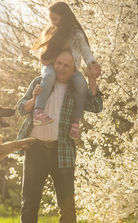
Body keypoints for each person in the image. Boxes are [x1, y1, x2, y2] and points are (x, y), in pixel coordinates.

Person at [16, 49, 103, 223]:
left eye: (67, 65)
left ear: (74, 69)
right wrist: (34, 98)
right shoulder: (41, 80)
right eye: (59, 63)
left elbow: (97, 106)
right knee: (29, 204)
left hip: (61, 152)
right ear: (54, 63)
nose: (62, 68)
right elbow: (21, 108)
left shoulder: (76, 88)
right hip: (35, 150)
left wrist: (92, 79)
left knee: (67, 205)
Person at [31, 1, 101, 141]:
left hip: (72, 68)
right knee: (49, 76)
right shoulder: (53, 30)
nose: (53, 22)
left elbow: (85, 51)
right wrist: (45, 59)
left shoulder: (76, 33)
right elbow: (44, 50)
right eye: (51, 19)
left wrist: (92, 63)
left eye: (55, 19)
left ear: (64, 17)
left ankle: (76, 121)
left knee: (81, 85)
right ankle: (38, 111)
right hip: (52, 65)